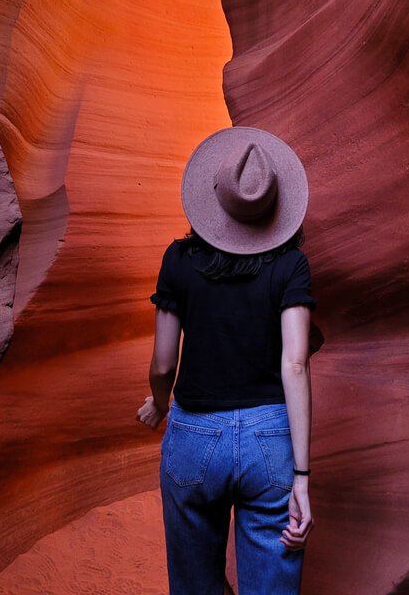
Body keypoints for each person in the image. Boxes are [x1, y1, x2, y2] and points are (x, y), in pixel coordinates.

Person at [136, 126, 317, 594]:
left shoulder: (178, 259)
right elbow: (295, 365)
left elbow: (162, 363)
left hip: (195, 434)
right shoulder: (291, 265)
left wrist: (159, 402)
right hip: (270, 438)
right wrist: (301, 475)